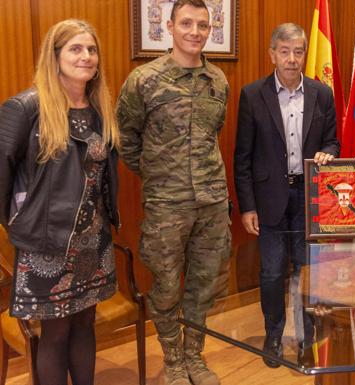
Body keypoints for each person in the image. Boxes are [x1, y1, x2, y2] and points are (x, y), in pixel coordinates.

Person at [116, 1, 230, 384]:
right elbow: (126, 139)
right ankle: (173, 360)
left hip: (212, 203)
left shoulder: (218, 81)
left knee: (204, 283)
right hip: (166, 206)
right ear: (170, 26)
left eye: (202, 24)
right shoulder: (144, 80)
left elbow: (214, 134)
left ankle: (194, 356)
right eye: (186, 23)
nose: (194, 31)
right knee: (164, 287)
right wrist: (158, 176)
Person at [0, 19, 119, 385]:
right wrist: (20, 222)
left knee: (84, 325)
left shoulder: (98, 109)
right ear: (55, 57)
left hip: (93, 244)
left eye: (91, 49)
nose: (86, 56)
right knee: (55, 336)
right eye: (75, 49)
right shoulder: (26, 107)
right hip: (47, 247)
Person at [234, 23, 339, 368]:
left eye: (298, 52)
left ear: (304, 54)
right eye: (284, 51)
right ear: (272, 54)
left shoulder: (322, 94)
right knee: (271, 272)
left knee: (308, 272)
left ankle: (308, 338)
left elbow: (332, 141)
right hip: (269, 200)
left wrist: (328, 153)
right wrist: (247, 206)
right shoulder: (252, 95)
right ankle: (274, 335)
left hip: (310, 200)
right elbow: (242, 156)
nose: (292, 59)